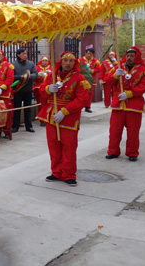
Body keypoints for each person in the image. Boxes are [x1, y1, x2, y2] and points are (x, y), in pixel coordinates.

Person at [37, 52, 91, 187]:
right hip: (51, 116)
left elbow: (82, 99)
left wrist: (65, 111)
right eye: (65, 60)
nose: (68, 63)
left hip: (69, 117)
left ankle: (68, 174)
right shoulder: (51, 76)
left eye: (71, 61)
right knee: (53, 146)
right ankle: (56, 172)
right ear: (61, 62)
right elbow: (42, 91)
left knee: (69, 147)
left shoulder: (79, 78)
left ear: (75, 63)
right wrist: (49, 88)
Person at [104, 46, 145, 161]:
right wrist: (114, 76)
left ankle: (132, 152)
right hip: (118, 105)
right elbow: (107, 81)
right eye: (128, 55)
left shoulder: (143, 69)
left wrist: (130, 94)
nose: (129, 58)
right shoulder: (118, 67)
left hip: (134, 106)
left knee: (133, 132)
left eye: (132, 56)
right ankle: (113, 151)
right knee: (114, 130)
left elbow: (144, 86)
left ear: (136, 57)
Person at [12, 48, 38, 133]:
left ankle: (29, 126)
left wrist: (28, 77)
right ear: (18, 55)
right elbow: (11, 76)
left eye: (26, 54)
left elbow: (35, 74)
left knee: (28, 109)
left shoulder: (31, 64)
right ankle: (15, 126)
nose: (25, 55)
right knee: (17, 109)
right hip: (17, 90)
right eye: (23, 54)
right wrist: (19, 77)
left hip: (28, 90)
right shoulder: (13, 64)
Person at [78, 46, 101, 113]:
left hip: (91, 80)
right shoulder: (80, 60)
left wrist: (92, 71)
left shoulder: (96, 61)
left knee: (89, 94)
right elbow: (77, 68)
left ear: (93, 54)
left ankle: (87, 107)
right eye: (87, 53)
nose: (88, 55)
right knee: (81, 94)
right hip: (82, 80)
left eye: (90, 54)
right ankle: (79, 106)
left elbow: (99, 69)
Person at [33, 56, 51, 126]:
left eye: (46, 61)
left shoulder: (51, 68)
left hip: (48, 88)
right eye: (43, 61)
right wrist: (38, 75)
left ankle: (48, 118)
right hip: (39, 88)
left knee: (48, 104)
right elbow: (34, 79)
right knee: (41, 104)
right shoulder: (37, 67)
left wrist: (49, 74)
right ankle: (42, 120)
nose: (44, 62)